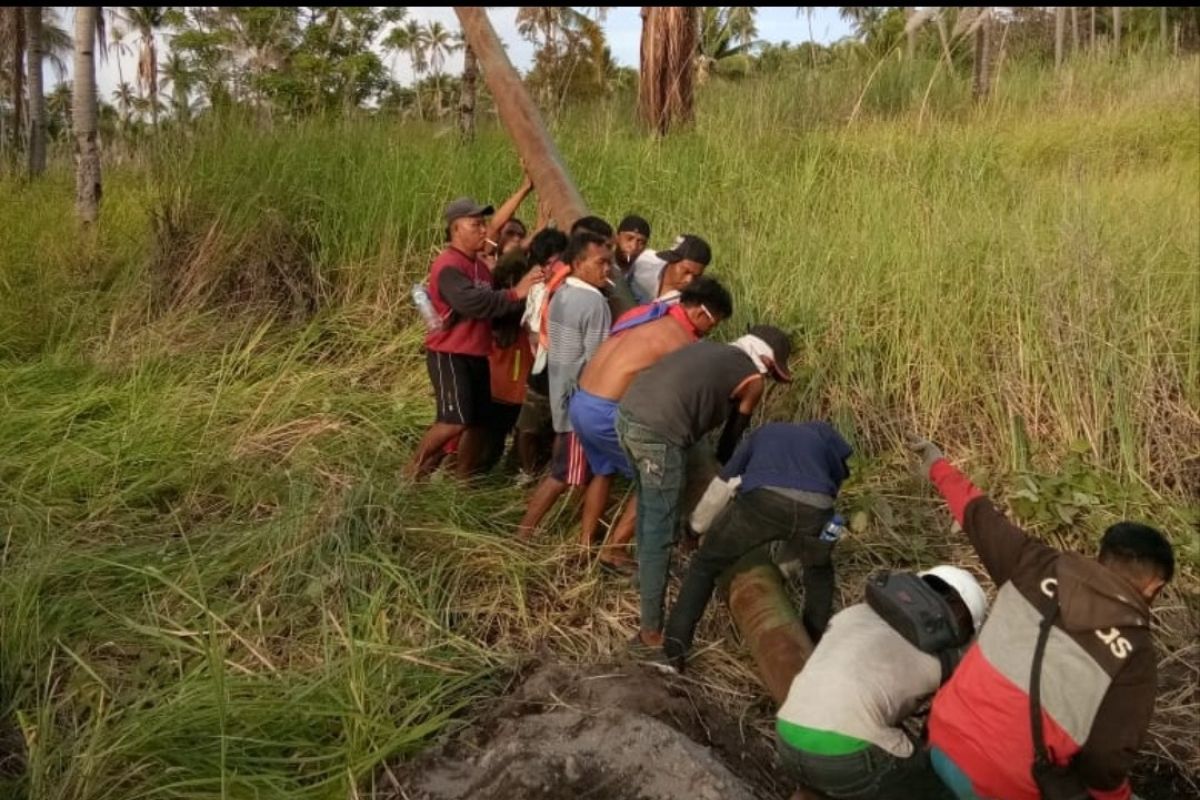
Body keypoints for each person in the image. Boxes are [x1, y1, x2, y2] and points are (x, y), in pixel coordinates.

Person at [907, 437, 1175, 800]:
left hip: (939, 741)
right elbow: (1106, 762)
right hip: (1002, 785)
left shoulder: (1034, 564)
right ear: (1154, 586)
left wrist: (937, 463)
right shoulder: (1136, 652)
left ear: (1102, 557)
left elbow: (977, 514)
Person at [617, 325, 794, 651]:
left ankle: (643, 581)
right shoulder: (753, 381)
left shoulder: (708, 349)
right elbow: (731, 440)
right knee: (661, 525)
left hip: (627, 417)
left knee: (646, 503)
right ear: (768, 363)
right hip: (660, 435)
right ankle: (651, 633)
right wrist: (723, 483)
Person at [776, 566, 988, 800]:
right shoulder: (942, 658)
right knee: (941, 789)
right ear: (962, 625)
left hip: (786, 735)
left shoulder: (853, 614)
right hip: (847, 755)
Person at [570, 276, 734, 569]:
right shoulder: (681, 341)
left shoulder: (648, 315)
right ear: (701, 312)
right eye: (715, 322)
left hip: (582, 402)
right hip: (608, 412)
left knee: (603, 471)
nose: (713, 330)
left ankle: (584, 545)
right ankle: (614, 548)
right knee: (659, 478)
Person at [662, 422, 854, 671]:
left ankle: (673, 652)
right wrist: (784, 571)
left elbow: (723, 483)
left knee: (705, 565)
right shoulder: (827, 451)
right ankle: (811, 650)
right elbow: (807, 510)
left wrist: (695, 528)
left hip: (763, 502)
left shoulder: (765, 433)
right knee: (819, 574)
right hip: (817, 510)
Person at [405, 197, 544, 480]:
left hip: (478, 354)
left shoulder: (479, 266)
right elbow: (475, 303)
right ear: (456, 229)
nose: (484, 230)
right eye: (476, 224)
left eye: (483, 224)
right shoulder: (449, 266)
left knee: (479, 423)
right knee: (453, 421)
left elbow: (497, 300)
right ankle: (410, 473)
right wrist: (517, 292)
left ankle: (462, 482)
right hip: (450, 354)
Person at [516, 231, 614, 539]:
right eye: (601, 263)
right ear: (578, 262)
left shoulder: (561, 293)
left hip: (561, 391)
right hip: (581, 403)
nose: (607, 270)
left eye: (609, 263)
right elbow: (598, 360)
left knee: (575, 469)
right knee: (563, 473)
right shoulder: (594, 303)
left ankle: (559, 529)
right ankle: (526, 532)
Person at [628, 233, 710, 305]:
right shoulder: (644, 261)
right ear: (672, 260)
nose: (689, 280)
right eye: (686, 271)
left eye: (697, 276)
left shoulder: (692, 302)